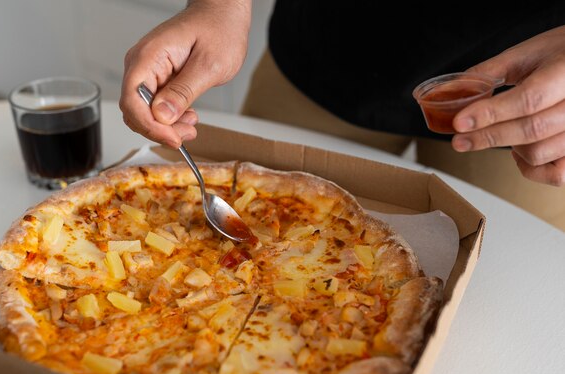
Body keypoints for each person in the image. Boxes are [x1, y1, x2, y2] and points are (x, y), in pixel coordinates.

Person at [119, 1, 565, 230]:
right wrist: (219, 5)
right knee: (261, 214)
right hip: (330, 41)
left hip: (534, 76)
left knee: (509, 285)